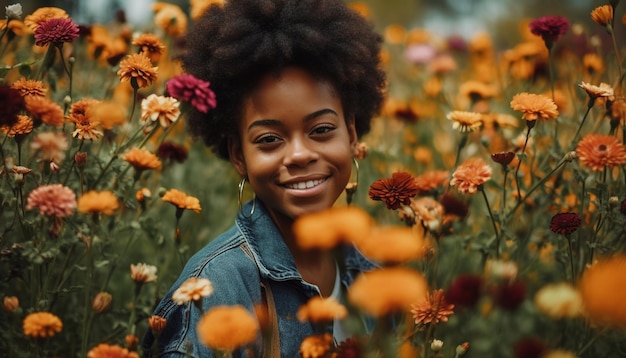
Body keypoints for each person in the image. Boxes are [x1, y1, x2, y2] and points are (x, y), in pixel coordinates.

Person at [142, 0, 386, 356]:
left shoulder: (374, 276)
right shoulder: (214, 291)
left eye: (321, 129)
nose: (300, 154)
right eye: (270, 139)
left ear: (350, 133)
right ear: (239, 155)